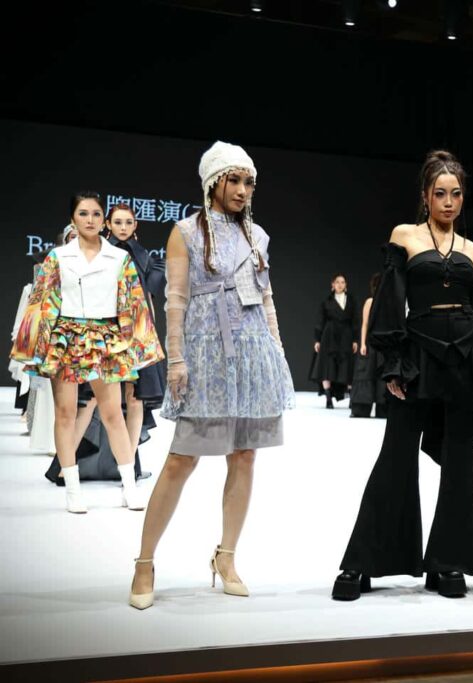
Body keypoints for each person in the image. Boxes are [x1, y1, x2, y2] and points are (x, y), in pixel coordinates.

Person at [128, 141, 294, 610]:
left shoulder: (258, 236)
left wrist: (277, 349)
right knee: (181, 459)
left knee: (244, 456)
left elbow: (266, 297)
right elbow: (175, 299)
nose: (242, 190)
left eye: (249, 183)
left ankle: (226, 557)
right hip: (206, 352)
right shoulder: (184, 232)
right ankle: (144, 561)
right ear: (212, 182)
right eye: (233, 180)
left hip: (252, 350)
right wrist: (176, 359)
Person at [332, 150, 473, 601]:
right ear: (425, 196)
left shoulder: (471, 250)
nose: (448, 202)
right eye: (440, 193)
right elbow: (391, 302)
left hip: (464, 356)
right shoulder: (404, 236)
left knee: (460, 460)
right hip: (419, 354)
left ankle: (448, 561)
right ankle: (365, 560)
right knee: (396, 455)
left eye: (456, 194)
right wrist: (393, 361)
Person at [11, 192, 163, 513]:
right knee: (66, 414)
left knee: (113, 414)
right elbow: (42, 302)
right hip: (65, 338)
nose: (90, 220)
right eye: (83, 213)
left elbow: (133, 304)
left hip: (104, 338)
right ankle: (73, 490)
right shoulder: (58, 257)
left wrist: (141, 347)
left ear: (103, 220)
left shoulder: (118, 258)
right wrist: (31, 348)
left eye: (95, 214)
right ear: (73, 219)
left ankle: (129, 488)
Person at [310, 274, 357, 408]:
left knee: (347, 366)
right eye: (337, 282)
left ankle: (352, 399)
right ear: (333, 285)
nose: (340, 285)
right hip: (329, 336)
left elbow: (355, 320)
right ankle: (328, 398)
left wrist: (355, 339)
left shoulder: (351, 301)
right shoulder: (327, 301)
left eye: (343, 282)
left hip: (346, 335)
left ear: (346, 285)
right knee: (327, 366)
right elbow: (320, 321)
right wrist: (317, 339)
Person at [349, 273, 388, 419]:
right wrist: (363, 343)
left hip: (384, 342)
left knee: (382, 374)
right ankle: (361, 408)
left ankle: (383, 408)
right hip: (371, 343)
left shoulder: (389, 302)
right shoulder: (370, 302)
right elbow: (364, 324)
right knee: (366, 373)